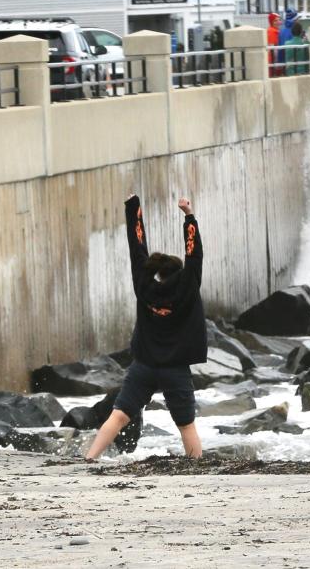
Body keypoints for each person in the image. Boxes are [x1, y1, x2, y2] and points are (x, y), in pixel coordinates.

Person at [85, 194, 206, 461]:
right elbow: (194, 254)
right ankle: (197, 467)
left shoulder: (144, 286)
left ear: (157, 272)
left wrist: (133, 208)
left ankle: (89, 459)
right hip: (175, 369)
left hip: (144, 366)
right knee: (186, 425)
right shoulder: (187, 288)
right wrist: (189, 216)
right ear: (179, 273)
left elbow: (137, 246)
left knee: (118, 416)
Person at [266, 12, 283, 77]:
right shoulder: (273, 32)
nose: (278, 22)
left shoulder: (272, 30)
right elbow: (273, 49)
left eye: (279, 20)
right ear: (271, 22)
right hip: (273, 61)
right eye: (275, 20)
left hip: (272, 60)